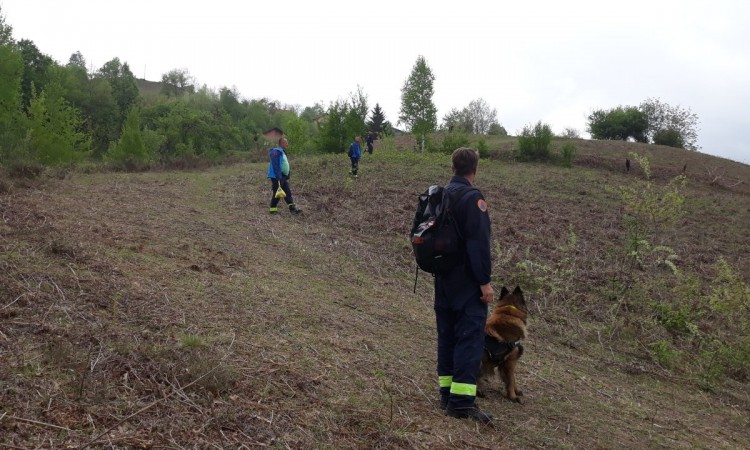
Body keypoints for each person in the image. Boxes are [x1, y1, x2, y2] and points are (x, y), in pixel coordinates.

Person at [435, 147, 494, 423]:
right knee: (469, 340)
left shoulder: (441, 195)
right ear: (475, 170)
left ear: (452, 168)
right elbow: (478, 245)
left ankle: (447, 395)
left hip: (442, 279)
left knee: (447, 337)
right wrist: (484, 282)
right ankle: (461, 404)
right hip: (467, 282)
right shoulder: (474, 199)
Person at [267, 137, 302, 215]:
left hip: (283, 176)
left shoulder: (282, 152)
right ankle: (272, 210)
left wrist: (287, 175)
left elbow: (284, 164)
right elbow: (275, 165)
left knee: (287, 192)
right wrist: (278, 176)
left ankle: (292, 208)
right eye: (286, 142)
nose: (287, 144)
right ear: (281, 143)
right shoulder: (276, 151)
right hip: (277, 177)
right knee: (277, 193)